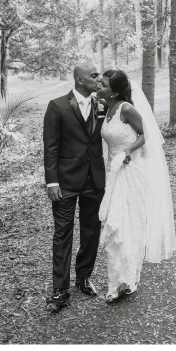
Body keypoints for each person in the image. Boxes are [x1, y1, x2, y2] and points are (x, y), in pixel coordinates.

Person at [95, 69, 176, 302]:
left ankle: (127, 279)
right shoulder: (106, 108)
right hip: (114, 172)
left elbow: (146, 134)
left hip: (132, 172)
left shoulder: (126, 109)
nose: (98, 87)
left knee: (127, 225)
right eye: (99, 83)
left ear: (115, 91)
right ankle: (117, 280)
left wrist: (129, 151)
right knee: (115, 227)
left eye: (102, 84)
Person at [42, 63, 105, 311]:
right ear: (79, 80)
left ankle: (84, 276)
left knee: (91, 231)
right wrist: (52, 181)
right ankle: (60, 289)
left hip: (94, 180)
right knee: (63, 233)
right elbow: (51, 147)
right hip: (65, 182)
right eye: (93, 75)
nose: (98, 79)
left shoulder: (102, 105)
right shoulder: (57, 106)